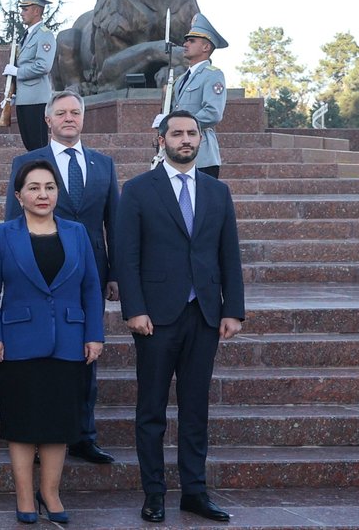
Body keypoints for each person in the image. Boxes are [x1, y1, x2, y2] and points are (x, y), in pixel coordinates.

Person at [115, 111, 247, 525]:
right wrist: (133, 309)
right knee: (151, 410)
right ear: (161, 140)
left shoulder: (217, 191)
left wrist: (233, 309)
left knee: (196, 410)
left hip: (205, 315)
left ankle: (195, 492)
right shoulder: (137, 190)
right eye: (178, 133)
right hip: (155, 317)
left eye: (193, 133)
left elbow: (229, 254)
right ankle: (154, 494)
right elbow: (126, 255)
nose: (186, 139)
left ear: (201, 140)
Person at [0, 159, 106, 524]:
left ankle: (50, 493)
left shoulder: (77, 232)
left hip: (69, 340)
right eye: (34, 188)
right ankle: (24, 495)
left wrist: (94, 334)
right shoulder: (3, 234)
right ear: (18, 196)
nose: (43, 194)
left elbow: (91, 287)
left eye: (50, 187)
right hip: (18, 341)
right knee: (22, 423)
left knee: (59, 423)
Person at [4, 90, 121, 465]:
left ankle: (82, 434)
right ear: (48, 120)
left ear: (83, 118)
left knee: (85, 354)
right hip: (38, 274)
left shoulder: (103, 164)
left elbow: (113, 223)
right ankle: (40, 434)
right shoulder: (27, 162)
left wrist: (115, 273)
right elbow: (11, 223)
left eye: (75, 112)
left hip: (88, 278)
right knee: (41, 359)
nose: (69, 118)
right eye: (61, 113)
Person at [167, 15, 229, 178]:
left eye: (192, 41)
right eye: (186, 40)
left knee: (202, 203)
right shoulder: (180, 80)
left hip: (202, 157)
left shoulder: (212, 76)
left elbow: (212, 113)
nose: (185, 44)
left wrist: (178, 125)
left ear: (206, 46)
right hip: (178, 155)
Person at [6, 0, 57, 152]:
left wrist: (17, 72)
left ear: (37, 11)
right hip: (24, 99)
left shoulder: (44, 34)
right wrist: (14, 93)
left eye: (25, 9)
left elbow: (43, 65)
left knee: (39, 147)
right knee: (30, 146)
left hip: (37, 100)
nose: (22, 13)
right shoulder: (27, 35)